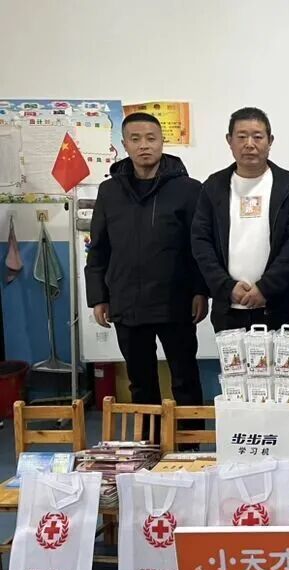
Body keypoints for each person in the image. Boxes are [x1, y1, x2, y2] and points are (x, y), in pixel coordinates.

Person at [85, 112, 207, 437]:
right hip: (127, 300)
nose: (144, 146)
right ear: (124, 144)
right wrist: (98, 297)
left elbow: (199, 246)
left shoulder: (188, 189)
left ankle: (191, 442)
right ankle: (149, 443)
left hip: (176, 299)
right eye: (135, 139)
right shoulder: (109, 191)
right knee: (140, 381)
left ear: (162, 142)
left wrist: (200, 291)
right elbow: (99, 248)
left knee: (185, 377)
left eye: (151, 138)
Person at [191, 107, 289, 375]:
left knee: (288, 386)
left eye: (257, 136)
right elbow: (201, 242)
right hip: (229, 313)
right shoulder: (213, 187)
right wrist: (227, 287)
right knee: (238, 387)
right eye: (241, 136)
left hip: (281, 310)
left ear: (270, 140)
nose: (249, 144)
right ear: (229, 141)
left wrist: (265, 288)